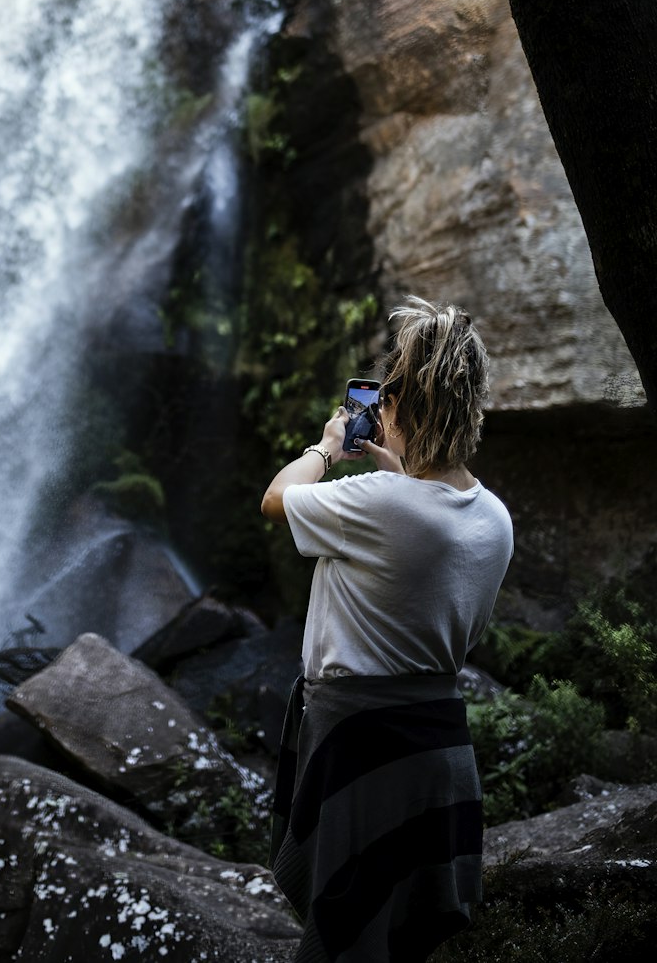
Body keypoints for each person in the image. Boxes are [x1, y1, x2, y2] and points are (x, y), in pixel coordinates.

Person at [260, 296, 513, 963]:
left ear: (403, 403)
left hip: (362, 748)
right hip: (439, 751)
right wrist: (391, 470)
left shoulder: (376, 502)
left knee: (349, 939)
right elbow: (425, 528)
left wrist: (325, 446)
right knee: (403, 942)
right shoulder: (493, 517)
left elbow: (275, 499)